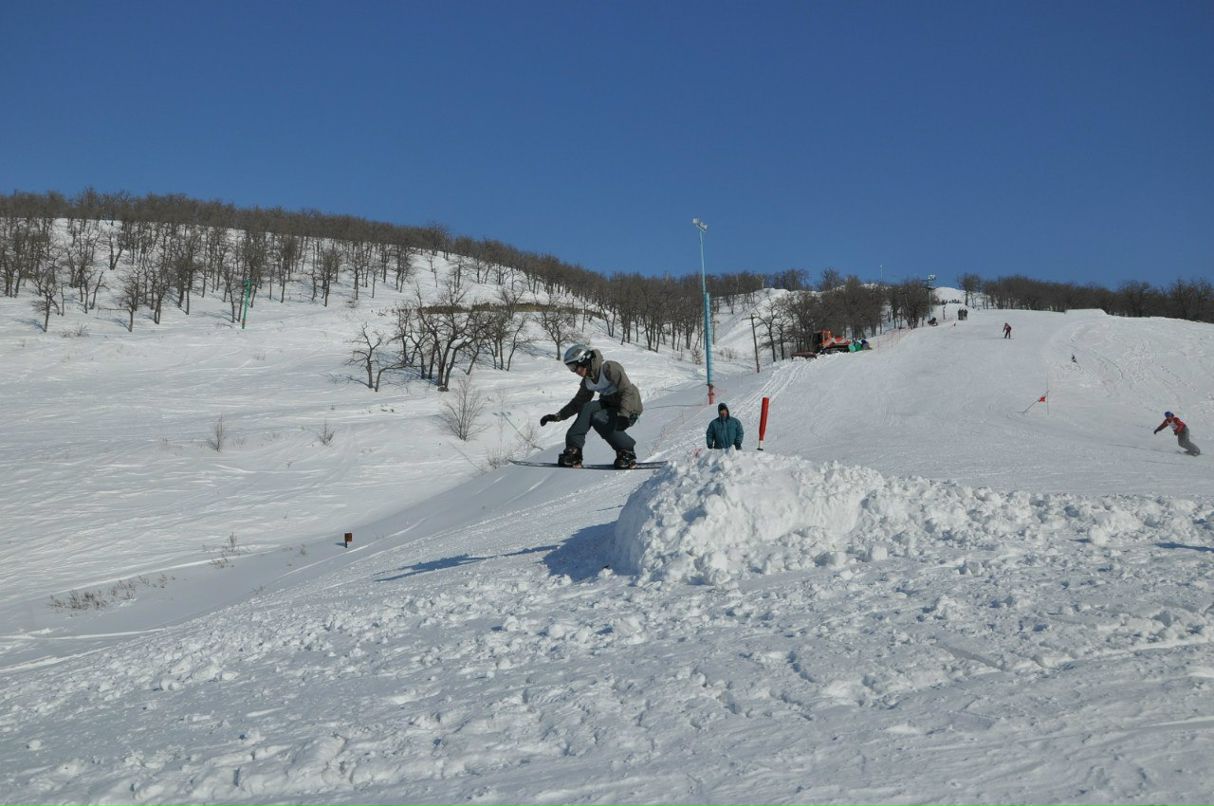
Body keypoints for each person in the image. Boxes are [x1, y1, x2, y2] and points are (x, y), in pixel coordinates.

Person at [540, 344, 643, 468]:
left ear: (585, 360)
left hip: (630, 406)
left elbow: (627, 391)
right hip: (609, 404)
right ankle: (574, 451)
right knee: (587, 407)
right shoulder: (587, 380)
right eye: (571, 368)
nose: (575, 371)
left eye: (575, 367)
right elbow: (578, 402)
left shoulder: (609, 368)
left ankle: (626, 452)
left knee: (598, 418)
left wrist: (624, 414)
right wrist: (557, 416)